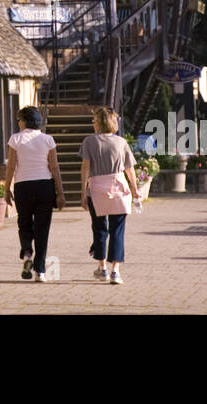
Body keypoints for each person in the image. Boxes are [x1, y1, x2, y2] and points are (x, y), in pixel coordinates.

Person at [79, 108, 140, 284]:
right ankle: (116, 271)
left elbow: (85, 167)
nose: (93, 123)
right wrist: (135, 190)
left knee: (99, 229)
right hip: (119, 188)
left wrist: (83, 191)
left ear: (99, 122)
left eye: (94, 120)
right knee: (117, 230)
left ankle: (102, 267)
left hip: (97, 189)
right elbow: (130, 169)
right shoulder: (121, 142)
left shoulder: (89, 142)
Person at [5, 107, 65, 282]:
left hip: (23, 185)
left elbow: (11, 167)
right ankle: (40, 271)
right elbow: (54, 167)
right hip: (44, 186)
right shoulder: (48, 140)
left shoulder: (15, 139)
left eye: (19, 120)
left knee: (23, 222)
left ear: (23, 121)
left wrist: (6, 188)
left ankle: (27, 254)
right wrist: (60, 193)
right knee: (42, 228)